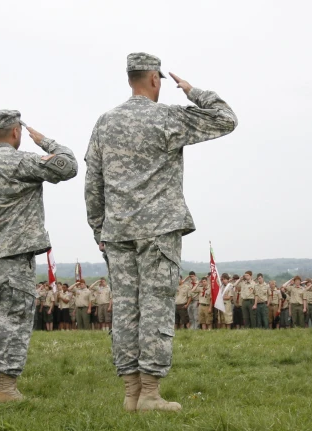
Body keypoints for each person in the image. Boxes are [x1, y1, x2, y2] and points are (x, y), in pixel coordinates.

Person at [84, 52, 236, 412]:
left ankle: (130, 394)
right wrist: (192, 90)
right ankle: (150, 394)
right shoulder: (166, 117)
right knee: (154, 306)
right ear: (154, 79)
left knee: (125, 309)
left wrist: (98, 229)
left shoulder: (105, 122)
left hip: (117, 230)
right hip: (158, 229)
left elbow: (93, 182)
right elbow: (227, 119)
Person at [0, 108, 77, 403]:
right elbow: (68, 166)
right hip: (14, 256)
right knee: (14, 320)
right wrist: (44, 141)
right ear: (15, 132)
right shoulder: (21, 161)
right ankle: (7, 389)